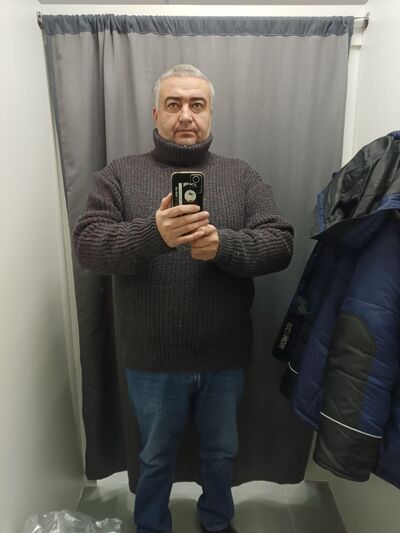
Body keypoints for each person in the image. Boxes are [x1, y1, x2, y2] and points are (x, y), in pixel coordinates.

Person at [73, 64, 294, 533]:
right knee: (154, 457)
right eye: (173, 104)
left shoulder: (241, 175)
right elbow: (89, 244)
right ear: (156, 114)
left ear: (211, 113)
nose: (186, 115)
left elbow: (280, 244)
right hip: (151, 359)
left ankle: (217, 520)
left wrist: (224, 246)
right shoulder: (119, 175)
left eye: (197, 104)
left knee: (222, 453)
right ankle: (151, 525)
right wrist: (153, 234)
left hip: (224, 358)